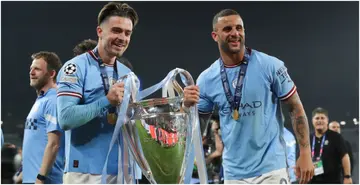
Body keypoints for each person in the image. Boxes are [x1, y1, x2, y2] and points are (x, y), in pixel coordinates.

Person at [57, 2, 197, 183]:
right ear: (100, 31)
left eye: (127, 33)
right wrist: (106, 101)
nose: (122, 37)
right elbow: (66, 118)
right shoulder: (75, 67)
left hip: (124, 172)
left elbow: (137, 122)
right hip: (85, 172)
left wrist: (182, 106)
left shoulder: (128, 75)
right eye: (116, 30)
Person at [184, 9, 314, 184]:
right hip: (233, 174)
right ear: (215, 36)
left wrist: (305, 153)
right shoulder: (207, 79)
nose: (235, 33)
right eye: (228, 29)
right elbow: (197, 128)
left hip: (271, 170)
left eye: (239, 28)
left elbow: (295, 108)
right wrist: (186, 107)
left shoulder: (270, 66)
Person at [22, 51, 64, 184]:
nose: (32, 72)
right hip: (32, 179)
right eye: (31, 69)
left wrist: (41, 178)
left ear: (52, 74)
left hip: (46, 181)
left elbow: (54, 144)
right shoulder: (41, 99)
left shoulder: (53, 100)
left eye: (37, 69)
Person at [309, 107, 352, 184]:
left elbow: (345, 157)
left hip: (332, 180)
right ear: (312, 121)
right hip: (312, 181)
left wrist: (347, 176)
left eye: (322, 118)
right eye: (317, 118)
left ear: (327, 120)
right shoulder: (308, 139)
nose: (319, 120)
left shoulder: (336, 137)